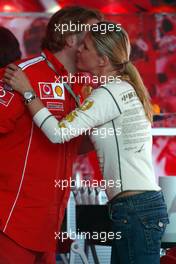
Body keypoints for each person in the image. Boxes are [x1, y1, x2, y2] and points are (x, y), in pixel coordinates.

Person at [5, 21, 170, 264]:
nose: (80, 50)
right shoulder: (120, 88)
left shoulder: (108, 93)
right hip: (136, 208)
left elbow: (58, 133)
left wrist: (28, 93)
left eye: (87, 47)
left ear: (102, 60)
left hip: (134, 210)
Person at [0, 7, 102, 264]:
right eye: (94, 34)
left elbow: (70, 145)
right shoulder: (21, 74)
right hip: (11, 220)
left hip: (49, 225)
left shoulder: (82, 85)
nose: (100, 42)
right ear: (70, 39)